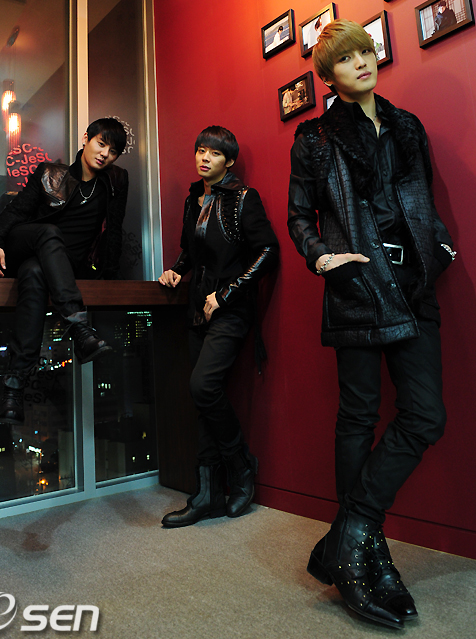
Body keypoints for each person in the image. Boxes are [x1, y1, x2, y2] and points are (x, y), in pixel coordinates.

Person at [287, 20, 455, 629]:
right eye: (346, 58)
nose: (362, 61)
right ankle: (366, 554)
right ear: (328, 76)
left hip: (413, 284)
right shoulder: (314, 137)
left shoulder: (408, 125)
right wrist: (321, 257)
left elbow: (423, 198)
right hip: (357, 282)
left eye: (365, 51)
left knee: (426, 415)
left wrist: (440, 249)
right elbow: (298, 214)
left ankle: (349, 533)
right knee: (358, 415)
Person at [158, 126, 278, 528]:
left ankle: (241, 464)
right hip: (197, 310)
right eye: (200, 150)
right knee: (201, 399)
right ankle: (207, 493)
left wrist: (225, 295)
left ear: (229, 160)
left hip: (229, 311)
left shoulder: (243, 198)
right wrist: (176, 271)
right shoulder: (194, 199)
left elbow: (268, 251)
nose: (204, 158)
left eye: (213, 153)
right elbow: (189, 251)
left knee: (203, 386)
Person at [0, 118, 128, 424]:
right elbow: (16, 211)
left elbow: (114, 232)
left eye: (113, 151)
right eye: (101, 144)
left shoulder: (115, 182)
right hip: (28, 241)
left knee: (35, 273)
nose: (105, 154)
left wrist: (110, 280)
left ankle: (13, 389)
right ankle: (77, 325)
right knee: (48, 233)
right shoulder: (50, 173)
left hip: (59, 263)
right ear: (86, 138)